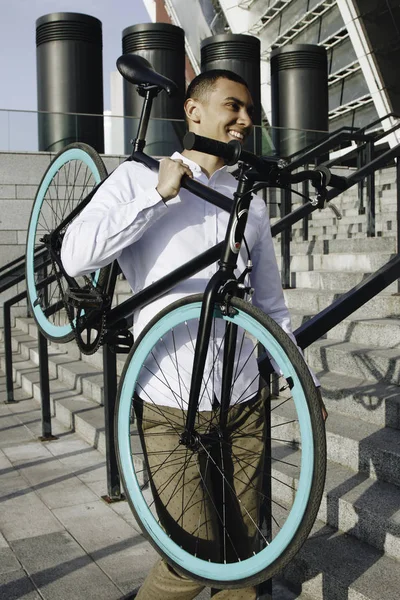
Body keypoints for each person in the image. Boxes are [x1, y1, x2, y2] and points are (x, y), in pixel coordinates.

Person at [61, 69, 326, 600]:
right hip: (167, 401)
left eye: (250, 112)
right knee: (189, 560)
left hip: (244, 400)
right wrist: (157, 197)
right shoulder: (137, 178)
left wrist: (303, 382)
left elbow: (270, 303)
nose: (245, 120)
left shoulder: (247, 198)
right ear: (194, 111)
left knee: (247, 554)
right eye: (234, 106)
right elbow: (75, 254)